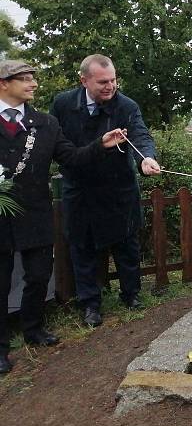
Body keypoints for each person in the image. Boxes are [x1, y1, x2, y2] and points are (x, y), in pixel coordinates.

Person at [0, 60, 126, 374]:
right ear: (4, 84)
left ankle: (33, 328)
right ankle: (1, 347)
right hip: (1, 217)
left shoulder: (45, 124)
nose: (33, 84)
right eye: (25, 79)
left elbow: (70, 156)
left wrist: (101, 145)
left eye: (32, 78)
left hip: (35, 213)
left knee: (39, 276)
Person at [50, 54, 160, 327]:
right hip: (80, 188)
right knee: (82, 247)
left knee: (126, 245)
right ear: (83, 80)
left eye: (113, 80)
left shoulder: (127, 106)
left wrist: (146, 158)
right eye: (102, 82)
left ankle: (131, 294)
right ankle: (90, 303)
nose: (110, 86)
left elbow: (140, 135)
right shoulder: (63, 104)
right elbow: (56, 144)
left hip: (118, 188)